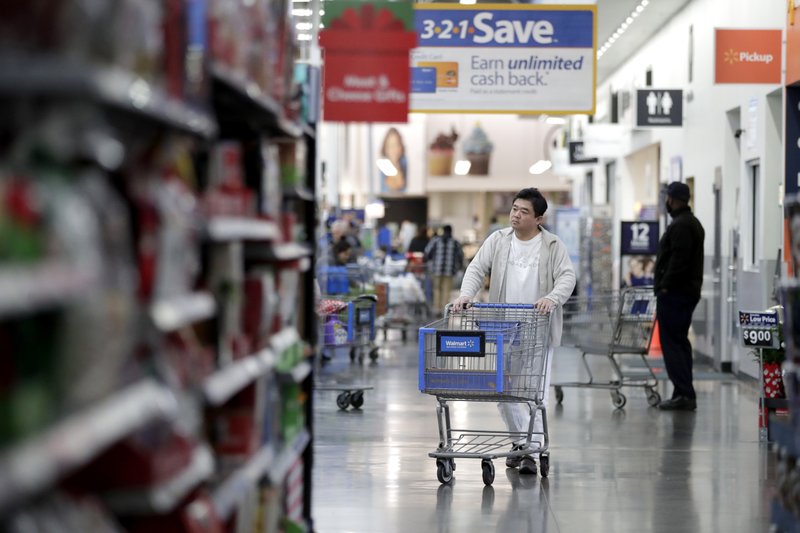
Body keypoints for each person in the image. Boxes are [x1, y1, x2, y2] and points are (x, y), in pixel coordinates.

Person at [452, 188, 576, 475]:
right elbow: (476, 268)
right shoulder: (498, 240)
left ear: (539, 218)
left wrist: (552, 298)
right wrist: (465, 295)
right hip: (503, 328)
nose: (516, 215)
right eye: (514, 209)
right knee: (503, 390)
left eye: (524, 211)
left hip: (538, 329)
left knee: (534, 392)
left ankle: (532, 450)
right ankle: (521, 444)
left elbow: (567, 277)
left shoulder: (553, 245)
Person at [654, 181, 705, 411]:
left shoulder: (682, 226)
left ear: (672, 200)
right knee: (680, 343)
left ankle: (684, 393)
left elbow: (678, 261)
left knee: (673, 344)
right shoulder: (689, 223)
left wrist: (664, 286)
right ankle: (683, 391)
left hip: (676, 294)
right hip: (683, 293)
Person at [424, 225, 464, 315]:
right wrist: (459, 267)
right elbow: (461, 256)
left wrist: (431, 260)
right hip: (449, 271)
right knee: (446, 290)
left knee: (437, 289)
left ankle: (437, 309)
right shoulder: (455, 242)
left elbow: (427, 253)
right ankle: (444, 310)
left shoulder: (435, 241)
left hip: (437, 270)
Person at [380, 127, 407, 193]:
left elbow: (402, 187)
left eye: (397, 145)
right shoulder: (383, 163)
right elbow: (386, 190)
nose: (394, 150)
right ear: (386, 148)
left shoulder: (404, 162)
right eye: (391, 146)